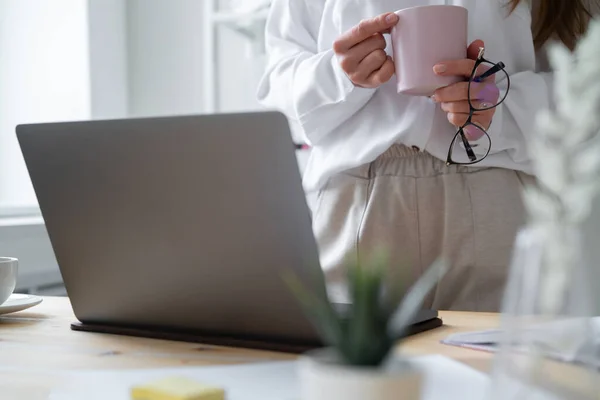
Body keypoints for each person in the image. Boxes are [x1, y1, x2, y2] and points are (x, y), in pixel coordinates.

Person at [256, 0, 596, 312]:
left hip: (501, 196)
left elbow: (589, 86)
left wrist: (500, 104)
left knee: (500, 372)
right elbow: (278, 91)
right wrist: (339, 74)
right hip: (361, 201)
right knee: (356, 376)